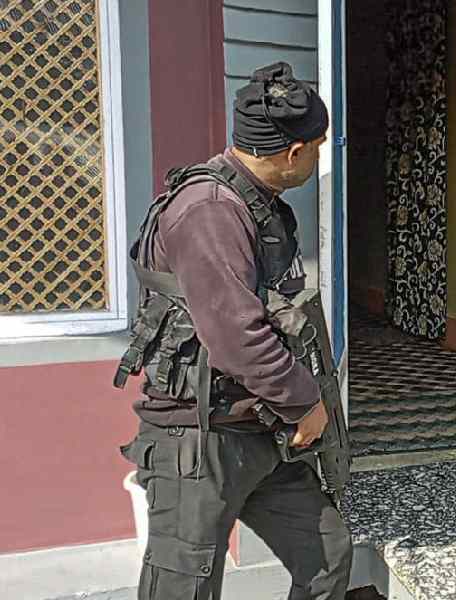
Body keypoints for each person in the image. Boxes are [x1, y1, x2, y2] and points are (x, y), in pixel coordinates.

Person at [116, 62, 352, 599]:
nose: (319, 157)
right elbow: (237, 338)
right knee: (186, 588)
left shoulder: (258, 204)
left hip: (259, 429)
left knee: (328, 553)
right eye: (317, 147)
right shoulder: (210, 212)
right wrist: (306, 403)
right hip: (198, 439)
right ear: (294, 154)